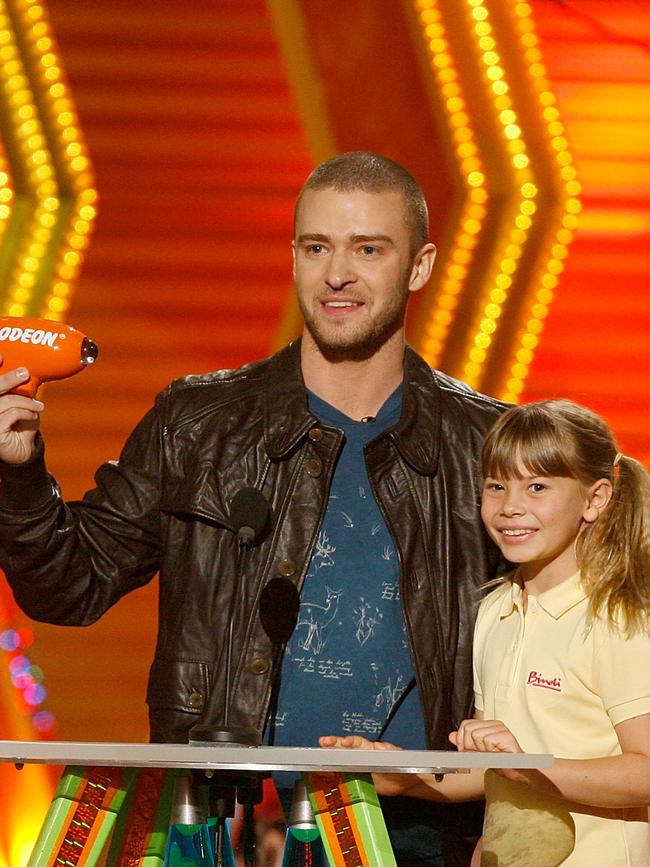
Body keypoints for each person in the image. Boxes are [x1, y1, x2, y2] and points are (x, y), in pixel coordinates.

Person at [0, 151, 508, 865]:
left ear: (419, 265)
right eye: (317, 246)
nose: (338, 273)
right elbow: (67, 585)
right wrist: (16, 473)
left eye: (368, 249)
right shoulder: (197, 423)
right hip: (221, 826)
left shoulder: (488, 444)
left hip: (418, 832)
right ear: (293, 256)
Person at [322, 399, 650, 866]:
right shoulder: (497, 609)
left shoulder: (620, 616)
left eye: (537, 486)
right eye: (496, 486)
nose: (511, 507)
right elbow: (489, 771)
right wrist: (404, 773)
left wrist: (529, 770)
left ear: (595, 499)